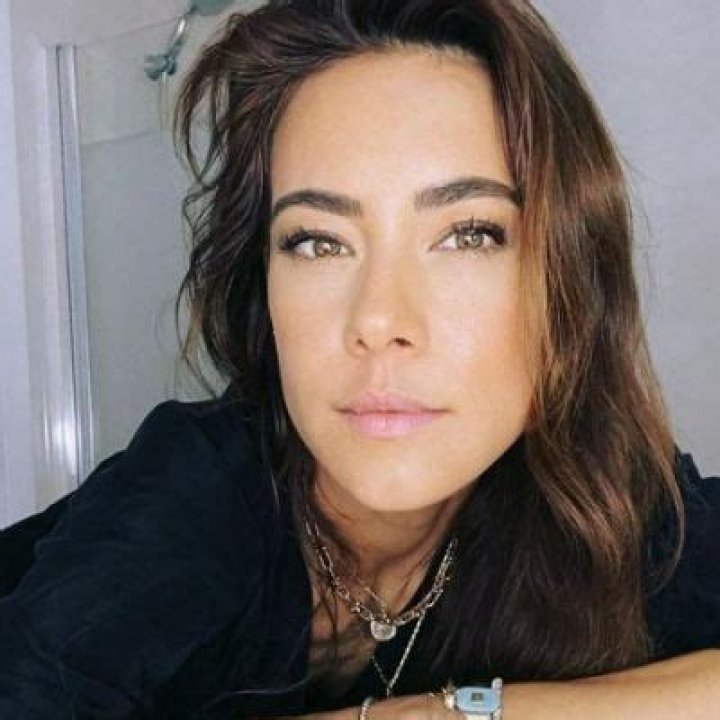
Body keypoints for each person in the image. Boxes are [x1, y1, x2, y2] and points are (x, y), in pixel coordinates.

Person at [1, 0, 719, 717]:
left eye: (468, 235)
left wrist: (457, 713)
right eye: (318, 242)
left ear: (572, 278)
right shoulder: (194, 498)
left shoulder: (601, 496)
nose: (378, 322)